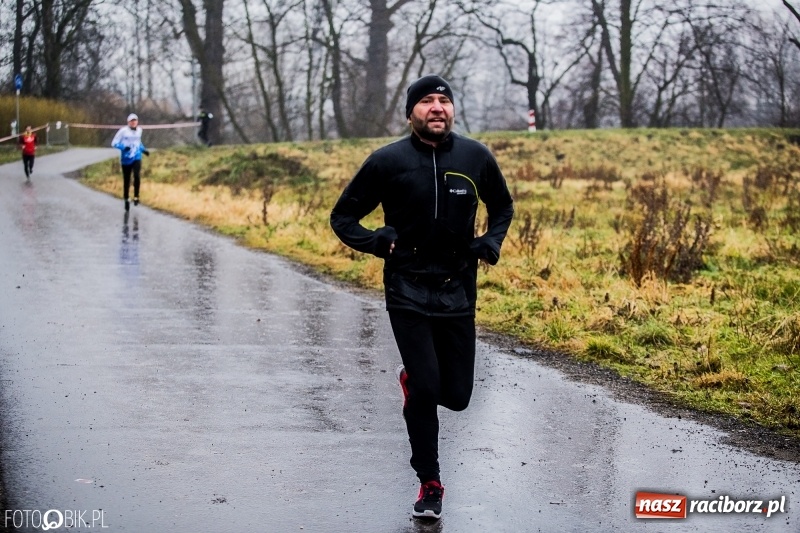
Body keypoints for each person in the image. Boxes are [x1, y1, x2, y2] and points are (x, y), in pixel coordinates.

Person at [330, 75, 514, 520]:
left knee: (458, 396)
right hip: (407, 287)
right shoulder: (387, 161)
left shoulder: (475, 157)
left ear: (452, 110)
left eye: (443, 101)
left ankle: (412, 382)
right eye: (427, 101)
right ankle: (430, 483)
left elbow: (503, 206)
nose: (437, 108)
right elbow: (343, 217)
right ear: (411, 111)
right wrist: (376, 241)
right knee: (429, 388)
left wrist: (490, 242)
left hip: (457, 289)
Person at [112, 113, 149, 211]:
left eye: (135, 121)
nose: (133, 123)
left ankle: (136, 196)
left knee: (137, 175)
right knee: (127, 179)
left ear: (137, 122)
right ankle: (126, 198)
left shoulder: (139, 130)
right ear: (128, 122)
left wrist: (143, 150)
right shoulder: (123, 131)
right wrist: (123, 147)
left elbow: (138, 143)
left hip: (137, 156)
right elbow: (114, 143)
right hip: (126, 158)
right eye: (131, 121)